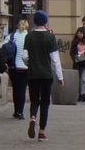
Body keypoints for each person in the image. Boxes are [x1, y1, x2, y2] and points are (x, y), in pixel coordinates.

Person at [22, 10, 63, 141]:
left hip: (32, 73)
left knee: (34, 100)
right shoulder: (50, 37)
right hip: (46, 74)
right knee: (45, 102)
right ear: (45, 21)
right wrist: (60, 77)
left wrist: (30, 63)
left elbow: (24, 56)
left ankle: (33, 117)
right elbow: (55, 59)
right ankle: (41, 131)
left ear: (35, 21)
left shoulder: (29, 36)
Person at [6, 20, 29, 119]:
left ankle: (16, 111)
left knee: (15, 89)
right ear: (26, 27)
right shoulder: (28, 37)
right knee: (22, 90)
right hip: (24, 68)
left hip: (13, 67)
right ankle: (20, 111)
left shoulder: (11, 36)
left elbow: (3, 48)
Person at [70, 28, 85, 102]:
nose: (79, 34)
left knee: (83, 79)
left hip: (84, 64)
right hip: (77, 64)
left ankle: (83, 94)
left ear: (83, 34)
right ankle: (79, 94)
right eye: (78, 33)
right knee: (78, 80)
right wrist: (75, 58)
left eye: (81, 33)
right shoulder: (74, 42)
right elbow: (72, 53)